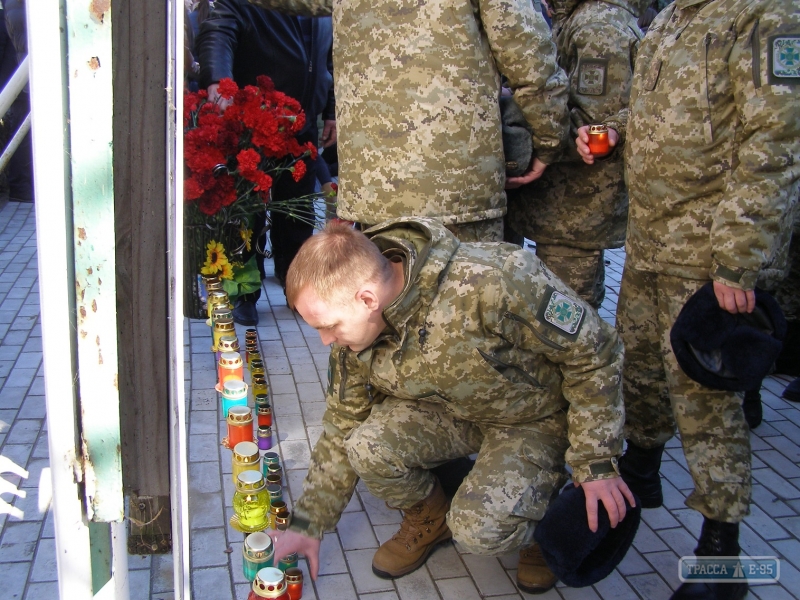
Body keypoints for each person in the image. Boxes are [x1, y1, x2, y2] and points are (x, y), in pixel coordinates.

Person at [275, 217, 633, 594]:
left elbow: (594, 354)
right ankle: (431, 519)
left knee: (479, 531)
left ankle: (538, 524)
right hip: (455, 412)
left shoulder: (495, 281)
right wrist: (307, 523)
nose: (324, 340)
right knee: (364, 446)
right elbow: (341, 424)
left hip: (532, 418)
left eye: (329, 326)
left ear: (367, 299)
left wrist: (596, 463)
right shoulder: (352, 339)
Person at [576, 1, 799, 598]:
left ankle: (721, 553)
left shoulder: (766, 13)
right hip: (649, 241)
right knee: (641, 369)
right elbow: (661, 107)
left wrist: (739, 257)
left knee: (706, 402)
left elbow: (776, 140)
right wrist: (618, 127)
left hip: (707, 256)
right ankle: (641, 473)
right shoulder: (675, 15)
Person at [247, 0, 569, 243]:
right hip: (456, 188)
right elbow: (530, 59)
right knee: (463, 318)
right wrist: (548, 140)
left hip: (375, 190)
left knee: (389, 317)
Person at [195, 0, 336, 324]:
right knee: (248, 211)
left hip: (302, 122)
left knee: (297, 211)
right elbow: (217, 30)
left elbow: (331, 59)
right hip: (254, 122)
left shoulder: (324, 6)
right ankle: (245, 292)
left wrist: (330, 113)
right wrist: (217, 79)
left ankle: (294, 284)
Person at [508, 0, 646, 308]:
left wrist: (532, 138)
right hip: (563, 208)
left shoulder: (598, 26)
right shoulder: (576, 17)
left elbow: (594, 124)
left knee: (567, 316)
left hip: (575, 208)